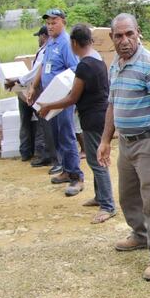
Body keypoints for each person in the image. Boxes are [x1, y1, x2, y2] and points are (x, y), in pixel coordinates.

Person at [97, 13, 150, 281]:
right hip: (126, 143)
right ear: (112, 38)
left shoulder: (149, 64)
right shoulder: (115, 64)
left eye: (129, 34)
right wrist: (104, 140)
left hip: (148, 142)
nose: (124, 40)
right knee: (128, 196)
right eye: (119, 35)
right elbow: (113, 103)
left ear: (138, 33)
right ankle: (141, 234)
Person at [37, 24, 116, 221]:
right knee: (96, 158)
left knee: (97, 162)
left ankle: (108, 205)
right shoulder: (97, 58)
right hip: (100, 115)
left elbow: (72, 98)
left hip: (93, 118)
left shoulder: (84, 65)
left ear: (73, 43)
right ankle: (100, 197)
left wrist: (48, 106)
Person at [28, 9, 83, 195]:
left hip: (62, 100)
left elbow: (75, 70)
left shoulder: (66, 43)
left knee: (67, 137)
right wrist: (33, 87)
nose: (50, 26)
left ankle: (77, 177)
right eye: (48, 23)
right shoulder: (50, 42)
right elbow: (43, 66)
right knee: (58, 137)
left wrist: (71, 98)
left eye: (54, 22)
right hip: (50, 99)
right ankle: (66, 171)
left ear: (63, 23)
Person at [5, 26, 59, 169]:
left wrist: (17, 80)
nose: (38, 40)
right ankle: (44, 154)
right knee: (41, 122)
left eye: (38, 37)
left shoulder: (48, 50)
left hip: (42, 90)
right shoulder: (45, 50)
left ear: (44, 36)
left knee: (44, 123)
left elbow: (36, 72)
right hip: (37, 89)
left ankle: (48, 156)